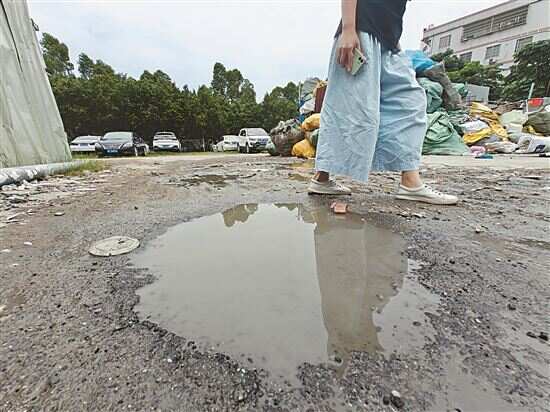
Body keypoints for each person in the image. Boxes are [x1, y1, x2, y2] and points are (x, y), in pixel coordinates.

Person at [308, 0, 458, 205]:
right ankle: (321, 178)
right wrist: (348, 29)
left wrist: (394, 41)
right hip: (361, 34)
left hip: (389, 43)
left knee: (410, 101)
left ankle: (410, 182)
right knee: (349, 108)